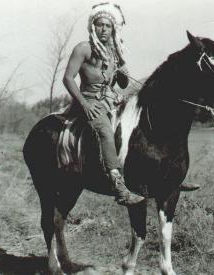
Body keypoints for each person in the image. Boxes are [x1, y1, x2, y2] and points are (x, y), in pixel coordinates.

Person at [63, 2, 145, 206]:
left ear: (113, 28)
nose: (103, 29)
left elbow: (122, 83)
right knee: (106, 132)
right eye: (99, 25)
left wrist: (123, 71)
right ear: (93, 26)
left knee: (136, 125)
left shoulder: (113, 52)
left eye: (107, 26)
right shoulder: (83, 48)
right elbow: (68, 78)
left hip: (110, 101)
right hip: (89, 102)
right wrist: (83, 104)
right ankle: (119, 186)